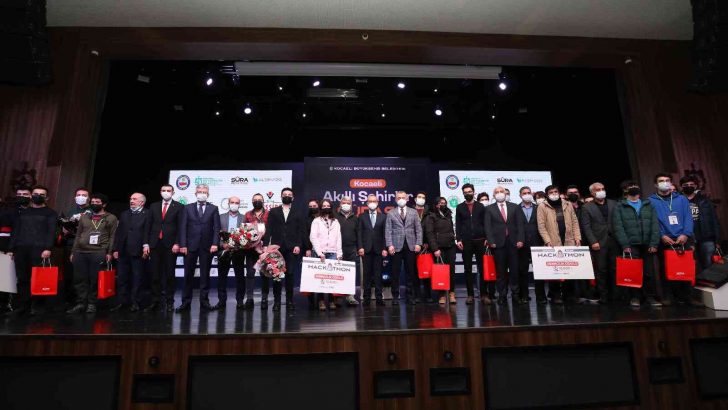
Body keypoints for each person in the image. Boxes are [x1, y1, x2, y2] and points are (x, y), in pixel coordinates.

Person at [649, 173, 703, 307]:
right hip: (664, 239)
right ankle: (668, 296)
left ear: (671, 183)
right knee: (665, 268)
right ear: (655, 184)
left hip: (682, 238)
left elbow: (688, 218)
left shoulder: (682, 199)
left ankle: (688, 296)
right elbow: (651, 221)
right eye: (661, 181)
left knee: (686, 268)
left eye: (667, 180)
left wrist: (685, 234)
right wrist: (662, 235)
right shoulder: (650, 201)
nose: (665, 183)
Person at [7, 186, 57, 316]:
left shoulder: (50, 213)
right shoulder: (23, 212)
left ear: (47, 198)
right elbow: (16, 231)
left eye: (41, 194)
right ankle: (23, 306)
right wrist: (11, 249)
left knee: (38, 278)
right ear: (31, 196)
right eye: (35, 194)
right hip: (21, 248)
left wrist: (48, 248)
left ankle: (37, 306)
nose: (37, 196)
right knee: (22, 278)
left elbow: (51, 232)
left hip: (40, 250)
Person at [612, 180, 662, 307]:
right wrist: (625, 245)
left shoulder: (648, 204)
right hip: (631, 245)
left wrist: (654, 243)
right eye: (631, 187)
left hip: (647, 243)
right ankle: (635, 297)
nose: (634, 188)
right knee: (633, 272)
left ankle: (650, 297)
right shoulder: (619, 206)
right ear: (625, 190)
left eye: (635, 186)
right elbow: (618, 227)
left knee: (648, 272)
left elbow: (655, 224)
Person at [67, 193, 118, 314]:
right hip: (80, 251)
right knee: (80, 279)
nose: (94, 204)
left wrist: (109, 252)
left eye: (97, 202)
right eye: (93, 202)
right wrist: (73, 251)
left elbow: (113, 236)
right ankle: (81, 303)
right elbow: (78, 235)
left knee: (95, 279)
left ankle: (92, 303)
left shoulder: (111, 218)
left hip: (99, 251)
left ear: (104, 204)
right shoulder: (85, 217)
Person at [176, 184, 221, 312]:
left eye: (204, 192)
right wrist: (183, 245)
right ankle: (185, 302)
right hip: (190, 246)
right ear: (195, 194)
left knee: (205, 275)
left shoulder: (213, 208)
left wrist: (215, 243)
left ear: (208, 194)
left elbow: (217, 228)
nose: (202, 194)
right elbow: (182, 227)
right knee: (188, 275)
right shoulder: (187, 208)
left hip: (207, 246)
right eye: (200, 191)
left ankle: (204, 302)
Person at [536, 185, 582, 305]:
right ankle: (555, 295)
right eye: (551, 192)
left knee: (569, 269)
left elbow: (575, 222)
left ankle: (569, 294)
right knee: (554, 270)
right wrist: (547, 240)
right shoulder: (542, 206)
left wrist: (577, 237)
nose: (554, 193)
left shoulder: (568, 204)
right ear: (547, 194)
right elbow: (541, 226)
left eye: (556, 191)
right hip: (552, 242)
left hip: (569, 241)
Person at [262, 187, 303, 311]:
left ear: (293, 197)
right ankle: (277, 302)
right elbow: (268, 229)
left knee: (290, 274)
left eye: (289, 194)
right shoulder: (274, 211)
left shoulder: (298, 212)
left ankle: (290, 301)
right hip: (276, 248)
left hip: (291, 248)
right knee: (277, 275)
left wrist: (298, 245)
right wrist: (265, 245)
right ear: (281, 197)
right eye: (285, 194)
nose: (287, 196)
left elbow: (300, 230)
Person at [484, 186, 525, 305]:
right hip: (498, 244)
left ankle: (515, 294)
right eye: (496, 192)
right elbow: (487, 227)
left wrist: (520, 239)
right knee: (500, 272)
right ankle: (502, 295)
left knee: (514, 270)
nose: (499, 193)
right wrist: (491, 241)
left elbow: (520, 225)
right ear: (493, 195)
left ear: (505, 193)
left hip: (513, 243)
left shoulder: (515, 207)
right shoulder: (489, 209)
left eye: (501, 191)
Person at [145, 184, 183, 312]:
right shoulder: (154, 206)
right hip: (155, 244)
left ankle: (170, 301)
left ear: (173, 192)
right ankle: (155, 301)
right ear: (160, 192)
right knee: (155, 275)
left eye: (168, 190)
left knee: (170, 275)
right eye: (163, 190)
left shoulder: (179, 206)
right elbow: (148, 226)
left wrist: (177, 243)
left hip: (170, 245)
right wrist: (146, 243)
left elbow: (180, 227)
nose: (166, 192)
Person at [111, 192, 151, 312]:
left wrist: (146, 246)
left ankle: (135, 302)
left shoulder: (148, 214)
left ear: (142, 202)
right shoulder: (125, 214)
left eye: (134, 199)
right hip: (123, 251)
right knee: (122, 278)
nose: (131, 201)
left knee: (137, 278)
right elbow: (119, 232)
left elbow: (148, 231)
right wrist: (116, 249)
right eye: (131, 199)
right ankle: (122, 302)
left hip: (138, 250)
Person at [581, 182, 618, 304]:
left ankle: (616, 295)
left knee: (615, 269)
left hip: (614, 241)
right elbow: (586, 227)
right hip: (598, 242)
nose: (601, 191)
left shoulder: (614, 203)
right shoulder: (587, 207)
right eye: (598, 189)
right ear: (592, 193)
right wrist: (593, 241)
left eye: (603, 188)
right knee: (601, 270)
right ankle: (604, 296)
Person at [385, 191, 423, 305]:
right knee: (395, 273)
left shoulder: (413, 212)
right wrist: (389, 245)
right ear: (395, 199)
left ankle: (410, 296)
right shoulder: (391, 213)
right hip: (396, 246)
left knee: (410, 272)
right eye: (398, 198)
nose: (401, 199)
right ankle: (395, 296)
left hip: (411, 246)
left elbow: (418, 229)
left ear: (407, 199)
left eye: (403, 197)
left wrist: (418, 243)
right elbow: (388, 230)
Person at [680, 176, 721, 270]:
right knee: (692, 267)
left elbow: (714, 220)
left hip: (706, 237)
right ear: (681, 187)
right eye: (686, 185)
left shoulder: (705, 200)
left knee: (710, 265)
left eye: (691, 184)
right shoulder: (678, 201)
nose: (689, 186)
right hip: (687, 239)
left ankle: (709, 280)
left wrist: (717, 239)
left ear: (695, 186)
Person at [0, 188, 31, 313]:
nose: (21, 196)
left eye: (25, 194)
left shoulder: (34, 211)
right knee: (6, 277)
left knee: (23, 278)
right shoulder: (8, 210)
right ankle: (5, 304)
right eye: (19, 194)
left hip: (27, 248)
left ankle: (22, 305)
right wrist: (9, 248)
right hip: (8, 247)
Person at [457, 184, 488, 304]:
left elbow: (485, 223)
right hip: (466, 242)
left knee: (482, 268)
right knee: (468, 269)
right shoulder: (460, 207)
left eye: (469, 191)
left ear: (474, 192)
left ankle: (484, 294)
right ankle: (470, 295)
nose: (467, 194)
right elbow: (458, 224)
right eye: (465, 192)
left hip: (480, 240)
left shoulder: (480, 206)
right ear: (463, 193)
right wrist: (459, 239)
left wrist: (487, 237)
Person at [60, 187, 91, 308]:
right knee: (69, 273)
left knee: (83, 274)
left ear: (89, 198)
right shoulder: (71, 211)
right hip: (70, 244)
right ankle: (68, 299)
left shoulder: (92, 211)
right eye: (78, 195)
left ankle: (82, 299)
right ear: (74, 197)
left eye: (84, 195)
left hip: (86, 247)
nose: (81, 197)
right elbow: (64, 227)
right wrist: (65, 229)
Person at [310, 199, 343, 311]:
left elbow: (338, 238)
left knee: (331, 279)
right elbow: (313, 237)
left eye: (327, 205)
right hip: (320, 253)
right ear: (320, 207)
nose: (325, 207)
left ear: (331, 207)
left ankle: (331, 300)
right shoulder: (316, 221)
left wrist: (339, 253)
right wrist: (319, 252)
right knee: (320, 279)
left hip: (332, 253)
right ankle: (321, 301)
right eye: (323, 206)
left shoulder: (336, 221)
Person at [215, 196, 245, 310]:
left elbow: (247, 235)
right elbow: (215, 233)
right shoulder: (220, 217)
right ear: (228, 203)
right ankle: (222, 301)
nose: (234, 204)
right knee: (222, 277)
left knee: (240, 277)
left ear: (239, 204)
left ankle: (240, 300)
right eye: (232, 202)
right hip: (224, 250)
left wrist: (239, 244)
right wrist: (222, 245)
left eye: (236, 202)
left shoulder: (244, 218)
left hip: (238, 251)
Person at [425, 197, 457, 305]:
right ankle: (442, 295)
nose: (442, 205)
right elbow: (430, 233)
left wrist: (454, 237)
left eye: (444, 203)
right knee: (440, 272)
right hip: (439, 248)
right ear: (436, 205)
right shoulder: (431, 216)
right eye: (440, 203)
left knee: (451, 270)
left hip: (451, 246)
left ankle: (452, 293)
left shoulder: (448, 214)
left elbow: (452, 229)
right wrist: (435, 248)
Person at [357, 194, 388, 306]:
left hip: (379, 250)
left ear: (377, 203)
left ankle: (379, 298)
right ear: (367, 203)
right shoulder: (362, 217)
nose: (372, 203)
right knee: (366, 275)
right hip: (366, 249)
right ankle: (366, 298)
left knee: (378, 274)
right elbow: (359, 233)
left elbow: (385, 234)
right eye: (370, 201)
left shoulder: (383, 217)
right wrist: (360, 247)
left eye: (374, 201)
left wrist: (385, 248)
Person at [242, 193, 269, 309]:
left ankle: (264, 299)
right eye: (255, 200)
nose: (257, 201)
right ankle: (249, 299)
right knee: (250, 274)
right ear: (252, 202)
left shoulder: (269, 214)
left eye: (259, 199)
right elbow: (244, 231)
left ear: (263, 201)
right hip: (251, 249)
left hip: (265, 249)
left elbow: (272, 230)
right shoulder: (248, 214)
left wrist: (265, 245)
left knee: (265, 274)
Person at [565, 184, 590, 303]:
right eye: (570, 193)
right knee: (571, 269)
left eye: (575, 192)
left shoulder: (585, 206)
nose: (573, 194)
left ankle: (586, 293)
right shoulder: (563, 206)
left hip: (586, 240)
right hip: (570, 241)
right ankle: (573, 294)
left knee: (586, 269)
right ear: (566, 195)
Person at [518, 186, 542, 303]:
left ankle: (541, 296)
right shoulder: (515, 209)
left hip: (537, 243)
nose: (527, 194)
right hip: (521, 245)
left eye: (528, 192)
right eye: (524, 193)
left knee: (539, 272)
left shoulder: (539, 208)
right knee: (522, 271)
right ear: (520, 195)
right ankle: (524, 295)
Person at [335, 196, 360, 306]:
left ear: (351, 205)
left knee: (350, 274)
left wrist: (359, 248)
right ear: (340, 204)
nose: (346, 204)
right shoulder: (334, 217)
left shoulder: (355, 218)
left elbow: (359, 234)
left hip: (352, 249)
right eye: (344, 202)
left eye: (348, 203)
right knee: (338, 274)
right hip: (337, 249)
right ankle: (337, 297)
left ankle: (350, 296)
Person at [413, 191, 433, 303]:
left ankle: (428, 295)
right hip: (413, 245)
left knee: (426, 271)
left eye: (423, 197)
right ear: (415, 199)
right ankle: (416, 296)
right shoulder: (410, 211)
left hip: (426, 246)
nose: (421, 199)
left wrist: (426, 242)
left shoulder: (429, 213)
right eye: (419, 197)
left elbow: (431, 230)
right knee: (414, 272)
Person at [302, 199, 319, 309]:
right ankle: (311, 300)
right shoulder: (306, 219)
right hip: (311, 249)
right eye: (310, 206)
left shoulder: (323, 217)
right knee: (311, 275)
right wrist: (308, 248)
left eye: (314, 205)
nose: (312, 208)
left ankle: (322, 299)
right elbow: (304, 234)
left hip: (324, 249)